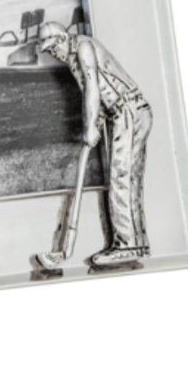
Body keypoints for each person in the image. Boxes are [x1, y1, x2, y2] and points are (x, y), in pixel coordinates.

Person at [38, 21, 153, 268]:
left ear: (60, 39)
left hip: (128, 111)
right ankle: (135, 243)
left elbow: (92, 87)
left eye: (52, 47)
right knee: (127, 177)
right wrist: (96, 120)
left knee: (122, 177)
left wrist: (90, 127)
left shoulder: (82, 47)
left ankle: (127, 245)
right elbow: (93, 93)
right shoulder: (72, 55)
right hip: (122, 114)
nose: (52, 53)